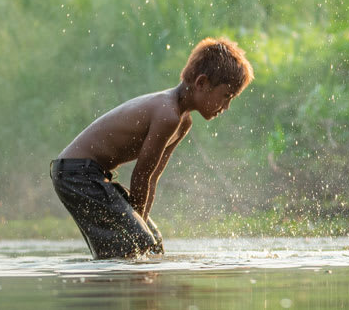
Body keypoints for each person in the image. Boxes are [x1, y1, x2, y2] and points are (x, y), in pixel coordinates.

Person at [51, 38, 252, 259]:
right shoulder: (167, 113)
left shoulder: (183, 122)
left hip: (88, 174)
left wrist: (141, 222)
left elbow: (153, 177)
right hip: (76, 173)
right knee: (136, 243)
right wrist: (138, 226)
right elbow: (141, 175)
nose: (226, 107)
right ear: (201, 83)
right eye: (226, 96)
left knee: (152, 242)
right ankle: (112, 286)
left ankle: (124, 278)